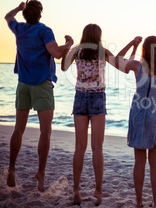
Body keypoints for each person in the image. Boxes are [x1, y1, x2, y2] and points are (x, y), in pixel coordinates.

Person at [4, 0, 73, 192]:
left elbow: (8, 17)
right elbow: (57, 53)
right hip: (42, 84)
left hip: (23, 85)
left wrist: (18, 8)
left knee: (19, 129)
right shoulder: (44, 30)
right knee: (45, 131)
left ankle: (11, 168)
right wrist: (69, 43)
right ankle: (40, 173)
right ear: (40, 14)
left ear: (25, 14)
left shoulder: (19, 28)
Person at [116, 30, 156, 208]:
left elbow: (118, 59)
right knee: (155, 161)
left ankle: (139, 200)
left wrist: (132, 44)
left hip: (140, 114)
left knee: (139, 161)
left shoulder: (137, 66)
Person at [61, 24, 118, 205]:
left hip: (80, 97)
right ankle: (98, 191)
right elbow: (119, 64)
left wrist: (67, 47)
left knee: (79, 147)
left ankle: (76, 190)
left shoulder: (77, 51)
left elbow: (63, 67)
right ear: (98, 36)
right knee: (97, 148)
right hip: (98, 97)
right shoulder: (103, 52)